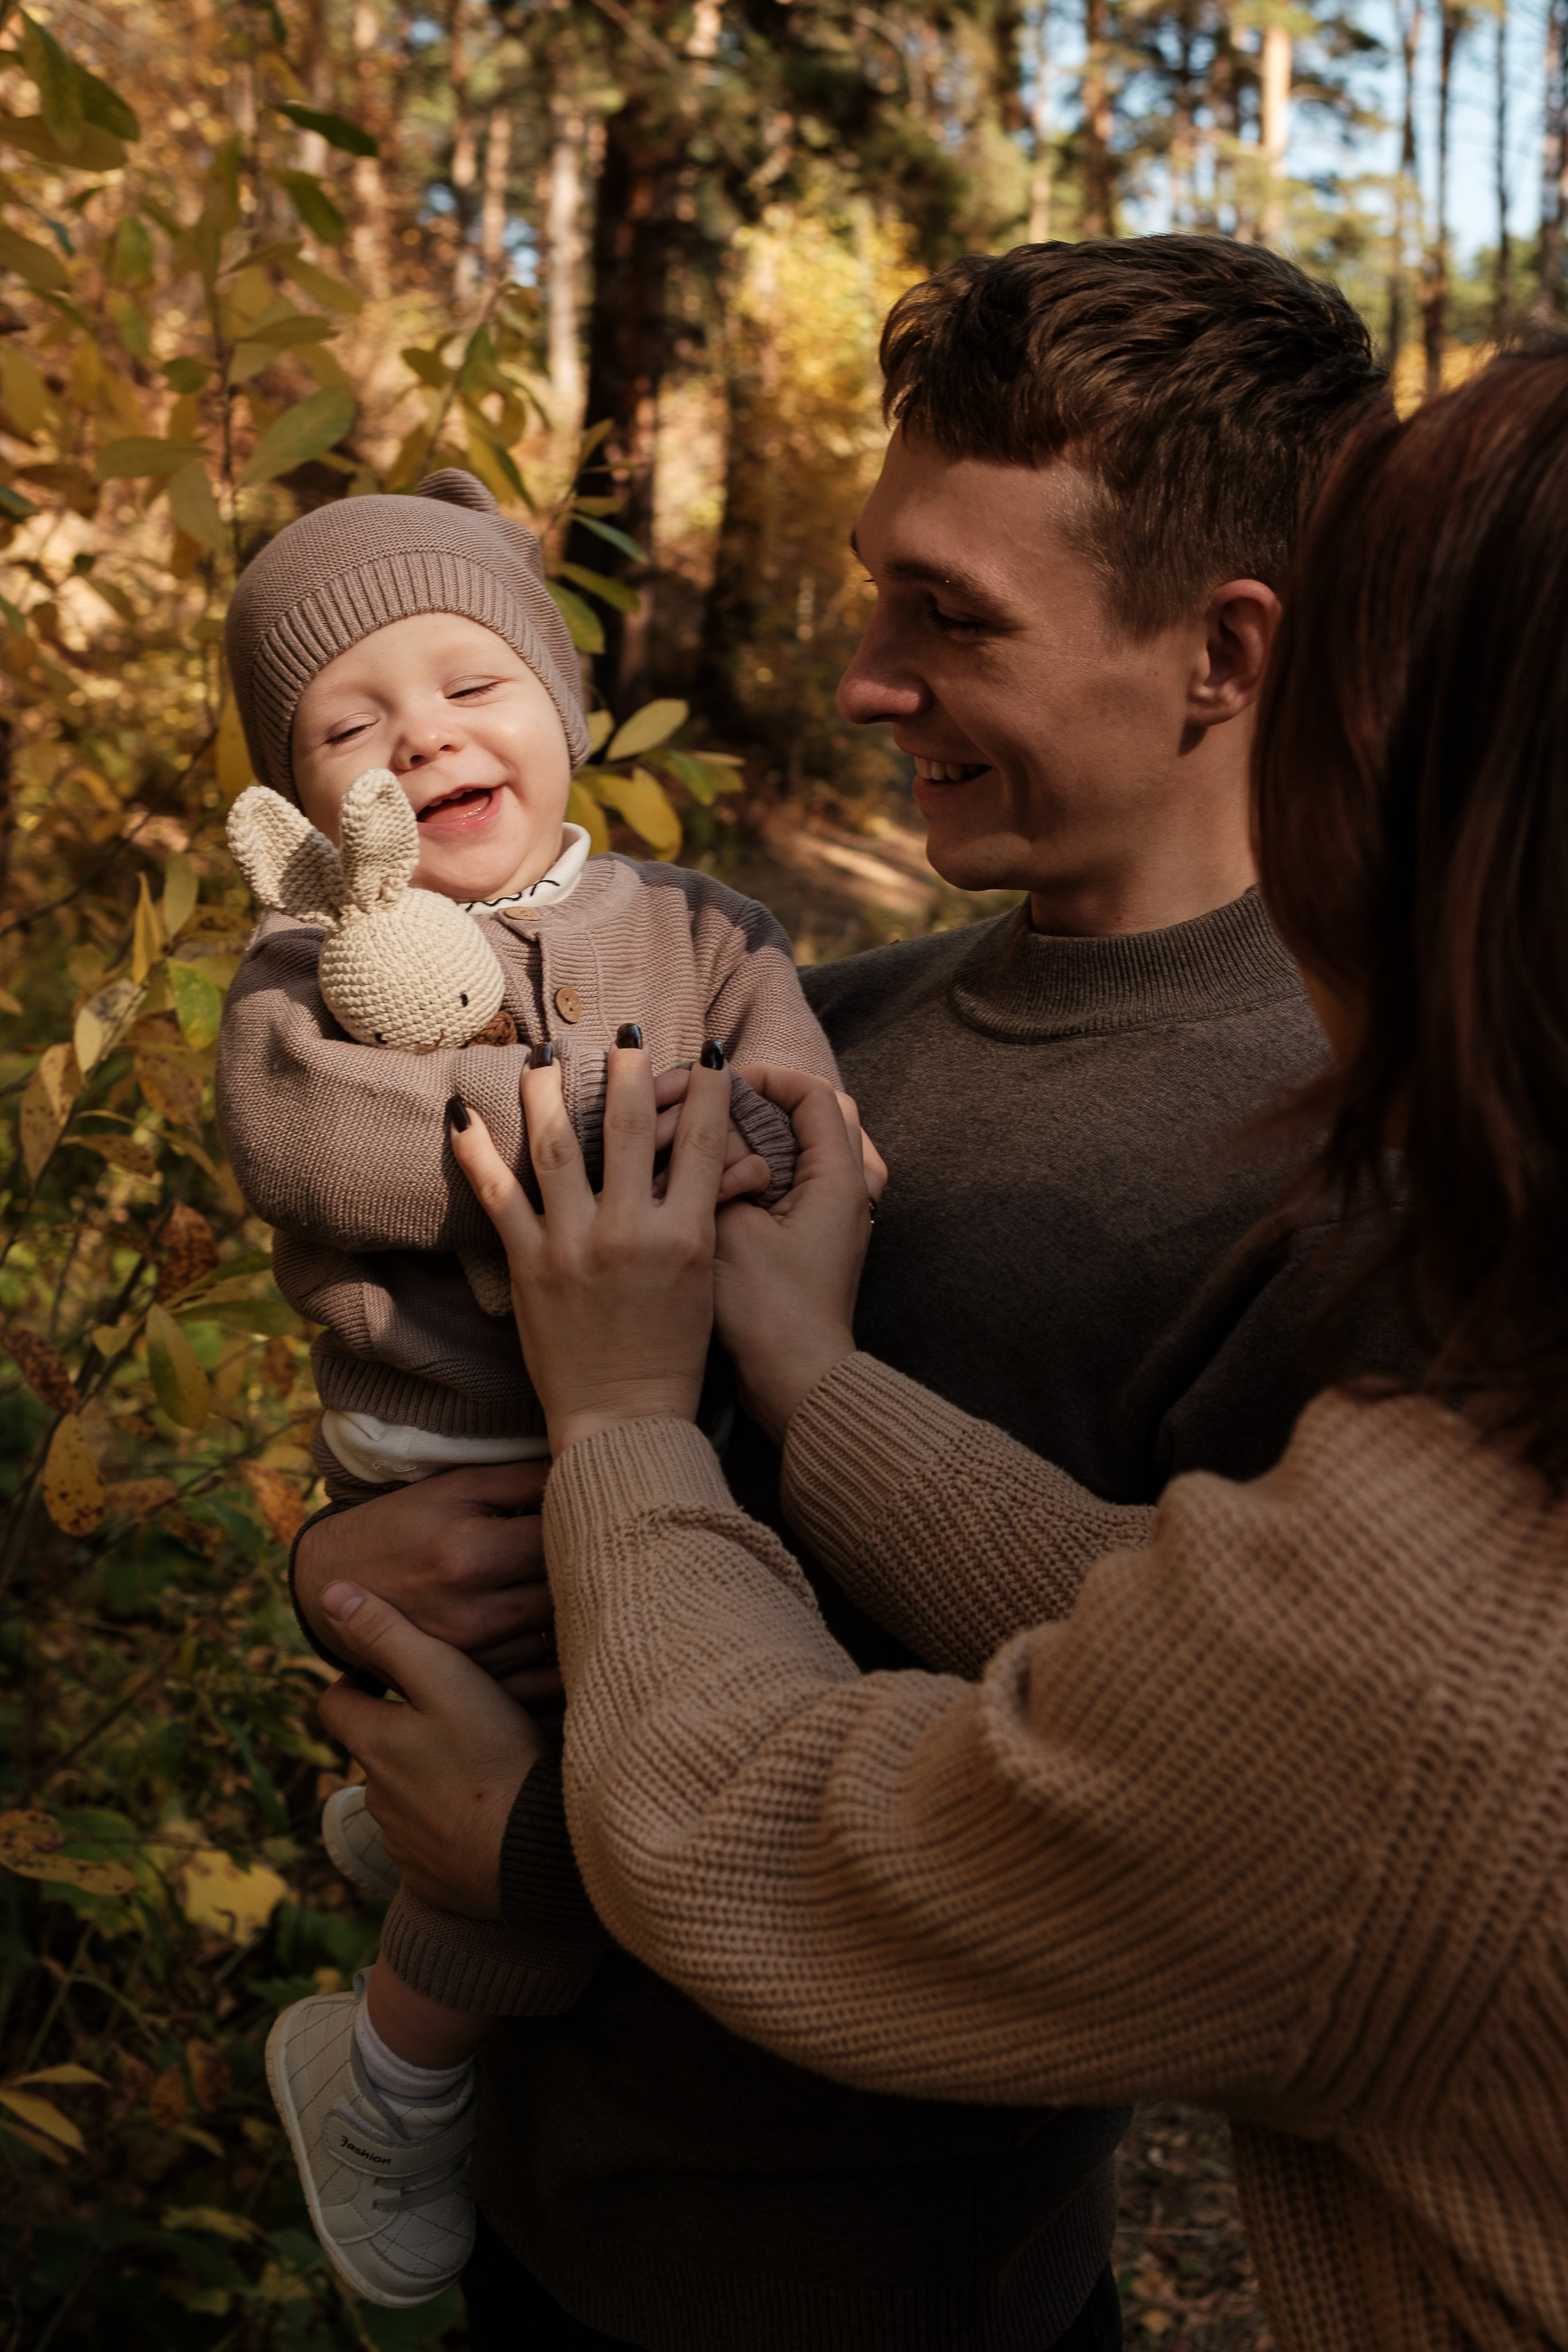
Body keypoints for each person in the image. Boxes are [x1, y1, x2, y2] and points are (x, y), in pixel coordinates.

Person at [320, 344, 1568, 2352]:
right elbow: (1191, 1634)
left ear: (1258, 673)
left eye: (953, 615)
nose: (861, 680)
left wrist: (614, 1481)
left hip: (890, 2283)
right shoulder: (831, 1027)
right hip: (553, 2205)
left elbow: (1172, 1800)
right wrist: (389, 1549)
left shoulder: (1369, 1204)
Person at [214, 469, 840, 2309]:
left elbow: (796, 1119)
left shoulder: (706, 926)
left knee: (642, 1708)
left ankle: (394, 1855)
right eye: (352, 719)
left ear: (559, 708)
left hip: (657, 1435)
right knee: (560, 1799)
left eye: (471, 680)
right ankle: (391, 2076)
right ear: (300, 796)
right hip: (453, 1440)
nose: (423, 730)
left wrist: (737, 1141)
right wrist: (587, 1128)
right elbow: (316, 1134)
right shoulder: (307, 967)